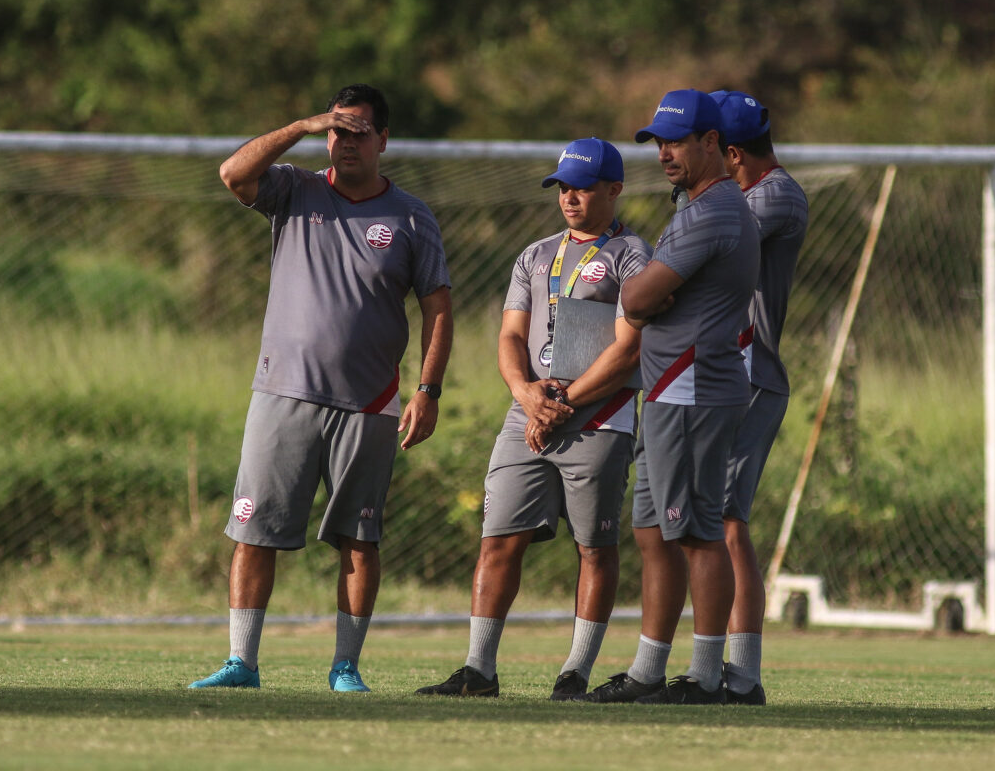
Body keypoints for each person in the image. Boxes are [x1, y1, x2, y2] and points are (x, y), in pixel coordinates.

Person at [188, 83, 453, 693]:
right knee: (254, 532)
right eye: (337, 131)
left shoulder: (412, 217)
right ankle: (241, 663)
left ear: (383, 140)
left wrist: (428, 390)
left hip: (370, 404)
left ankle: (345, 667)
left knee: (359, 539)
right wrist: (302, 124)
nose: (345, 143)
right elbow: (232, 172)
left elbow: (438, 309)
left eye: (358, 132)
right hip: (282, 391)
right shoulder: (295, 188)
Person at [415, 138, 650, 701]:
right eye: (563, 187)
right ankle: (478, 670)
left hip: (599, 416)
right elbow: (510, 335)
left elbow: (629, 349)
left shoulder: (632, 256)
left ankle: (575, 673)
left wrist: (561, 404)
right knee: (498, 537)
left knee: (594, 545)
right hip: (528, 415)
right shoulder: (536, 253)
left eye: (584, 186)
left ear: (614, 190)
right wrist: (525, 394)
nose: (570, 197)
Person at [578, 89, 759, 705]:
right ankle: (649, 671)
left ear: (713, 144)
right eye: (658, 141)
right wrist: (654, 292)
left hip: (692, 386)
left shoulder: (715, 210)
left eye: (677, 141)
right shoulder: (697, 203)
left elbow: (634, 298)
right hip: (667, 388)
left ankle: (708, 678)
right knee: (655, 531)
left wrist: (651, 294)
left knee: (698, 533)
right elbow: (647, 292)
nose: (664, 153)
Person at [711, 89, 809, 705]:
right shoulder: (739, 194)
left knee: (726, 523)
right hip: (718, 375)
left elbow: (707, 250)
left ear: (731, 152)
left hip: (748, 376)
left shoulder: (774, 195)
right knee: (700, 522)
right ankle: (708, 664)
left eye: (697, 143)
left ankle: (742, 674)